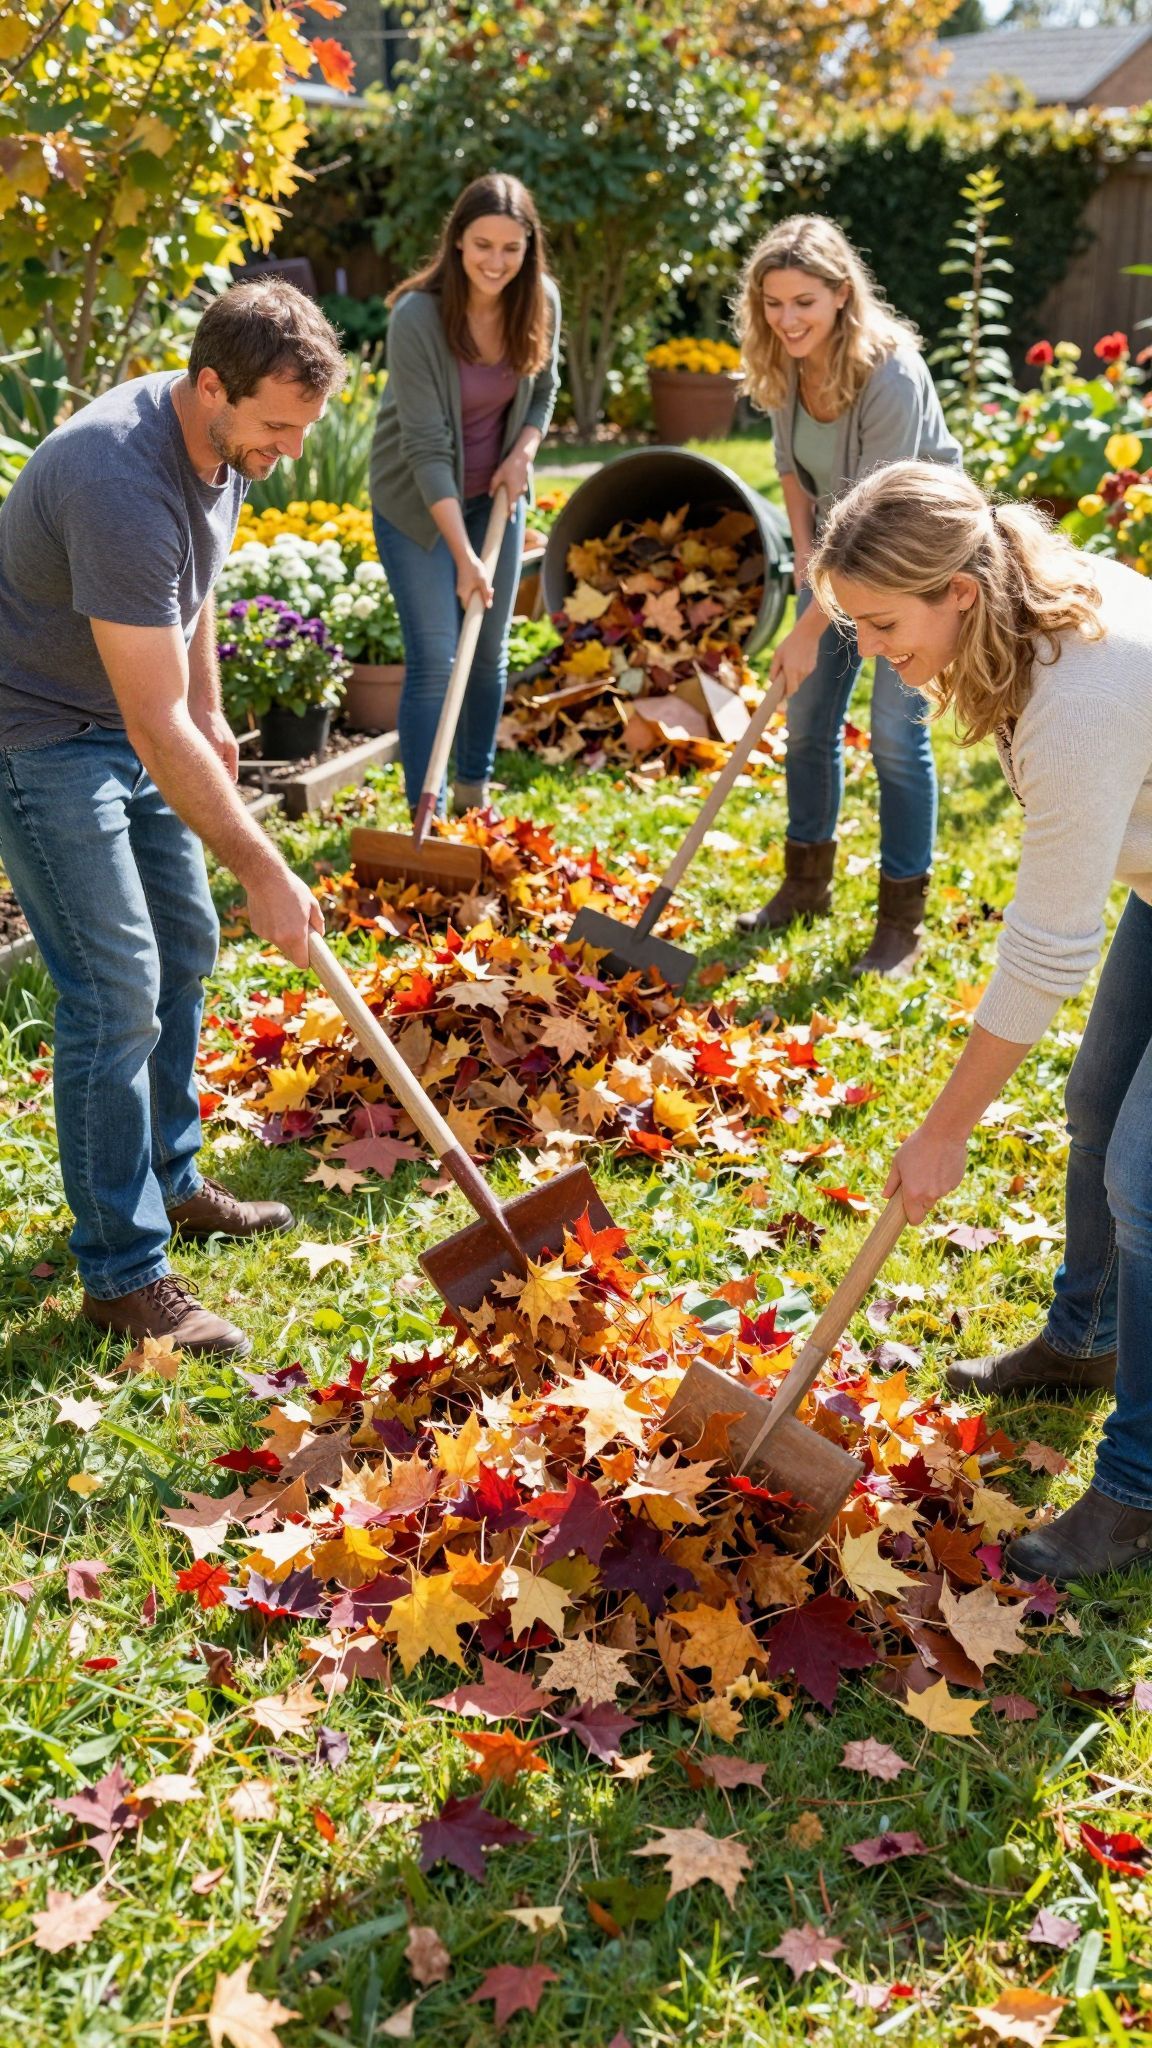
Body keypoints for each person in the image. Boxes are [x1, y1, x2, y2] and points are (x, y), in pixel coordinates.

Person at [808, 458, 1152, 1584]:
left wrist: (945, 1127)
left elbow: (1048, 946)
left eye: (879, 621)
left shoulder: (1082, 694)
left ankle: (1139, 1485)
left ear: (958, 590)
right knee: (1097, 1100)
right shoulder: (1019, 604)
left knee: (1147, 1182)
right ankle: (1085, 1338)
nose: (868, 646)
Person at [0, 281, 347, 1360]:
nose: (288, 448)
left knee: (185, 943)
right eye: (277, 426)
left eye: (304, 427)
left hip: (134, 714)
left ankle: (170, 1175)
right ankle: (123, 1270)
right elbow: (148, 727)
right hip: (41, 733)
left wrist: (214, 709)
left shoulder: (221, 446)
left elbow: (189, 593)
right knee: (116, 987)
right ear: (211, 386)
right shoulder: (116, 474)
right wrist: (266, 863)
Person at [734, 216, 962, 977]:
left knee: (896, 735)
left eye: (804, 301)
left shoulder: (889, 374)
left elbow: (877, 517)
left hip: (915, 560)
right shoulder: (782, 365)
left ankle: (901, 924)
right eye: (772, 303)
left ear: (841, 294)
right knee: (806, 721)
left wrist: (807, 626)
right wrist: (804, 560)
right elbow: (795, 476)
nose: (787, 319)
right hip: (839, 555)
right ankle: (806, 884)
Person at [369, 172, 561, 818]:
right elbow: (425, 448)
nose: (496, 262)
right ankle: (427, 813)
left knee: (486, 654)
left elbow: (544, 388)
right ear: (456, 242)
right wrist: (463, 554)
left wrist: (523, 452)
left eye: (511, 248)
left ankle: (474, 797)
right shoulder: (417, 318)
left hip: (497, 498)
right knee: (434, 657)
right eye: (483, 245)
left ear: (530, 246)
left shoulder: (539, 302)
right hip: (419, 507)